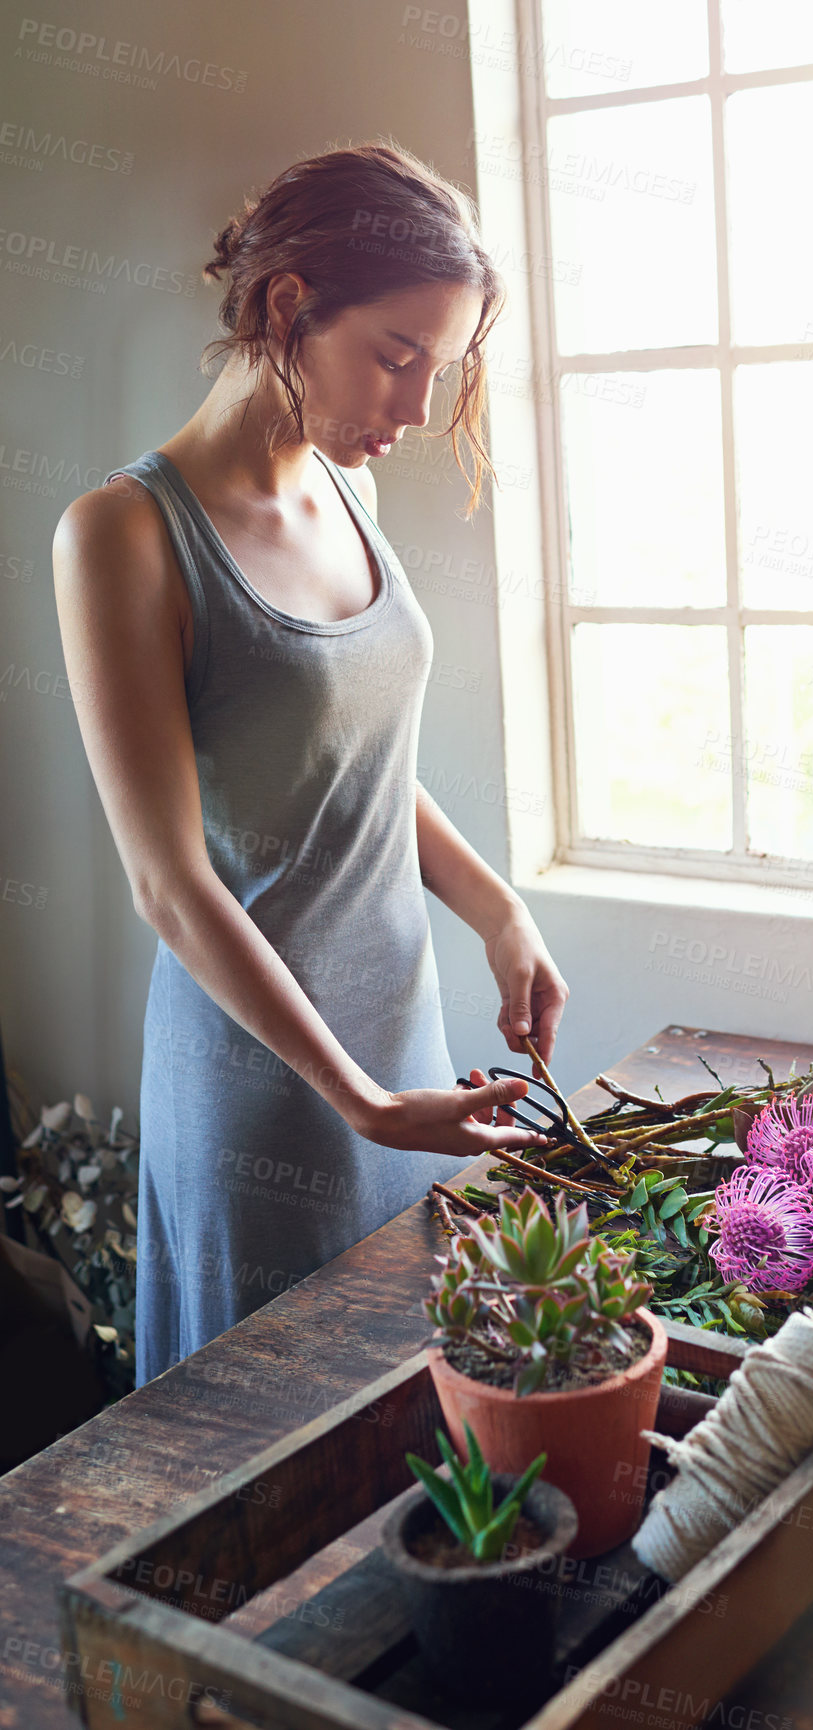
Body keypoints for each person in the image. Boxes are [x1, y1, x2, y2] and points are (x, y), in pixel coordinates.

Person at [52, 141, 569, 1387]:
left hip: (402, 1041)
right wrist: (358, 1102)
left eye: (434, 371)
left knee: (409, 1421)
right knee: (265, 1443)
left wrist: (497, 910)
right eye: (395, 357)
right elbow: (169, 883)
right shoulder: (122, 534)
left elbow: (356, 767)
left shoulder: (350, 494)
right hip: (268, 1087)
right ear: (288, 305)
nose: (411, 409)